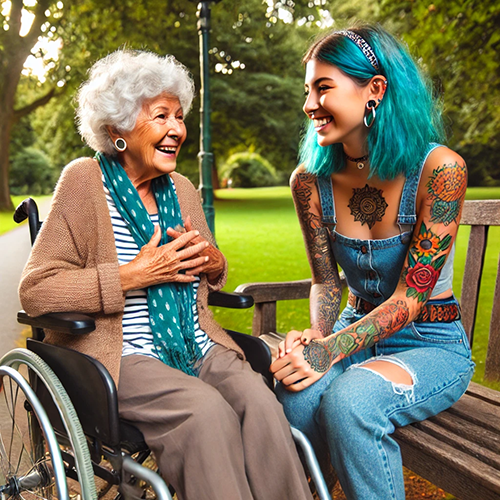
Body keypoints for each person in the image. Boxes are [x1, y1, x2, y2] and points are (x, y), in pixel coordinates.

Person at [19, 49, 313, 500]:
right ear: (118, 129)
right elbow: (36, 290)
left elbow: (213, 265)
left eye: (179, 116)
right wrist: (128, 276)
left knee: (260, 402)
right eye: (161, 116)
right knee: (205, 413)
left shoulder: (181, 189)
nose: (177, 129)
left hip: (194, 342)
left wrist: (212, 263)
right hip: (123, 354)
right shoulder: (83, 182)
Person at [270, 24, 475, 500]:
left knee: (350, 401)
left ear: (374, 91)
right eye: (307, 90)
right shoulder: (310, 182)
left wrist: (327, 351)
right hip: (352, 330)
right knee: (297, 397)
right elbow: (326, 282)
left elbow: (410, 298)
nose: (309, 104)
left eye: (324, 88)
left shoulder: (440, 171)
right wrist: (317, 336)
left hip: (430, 342)